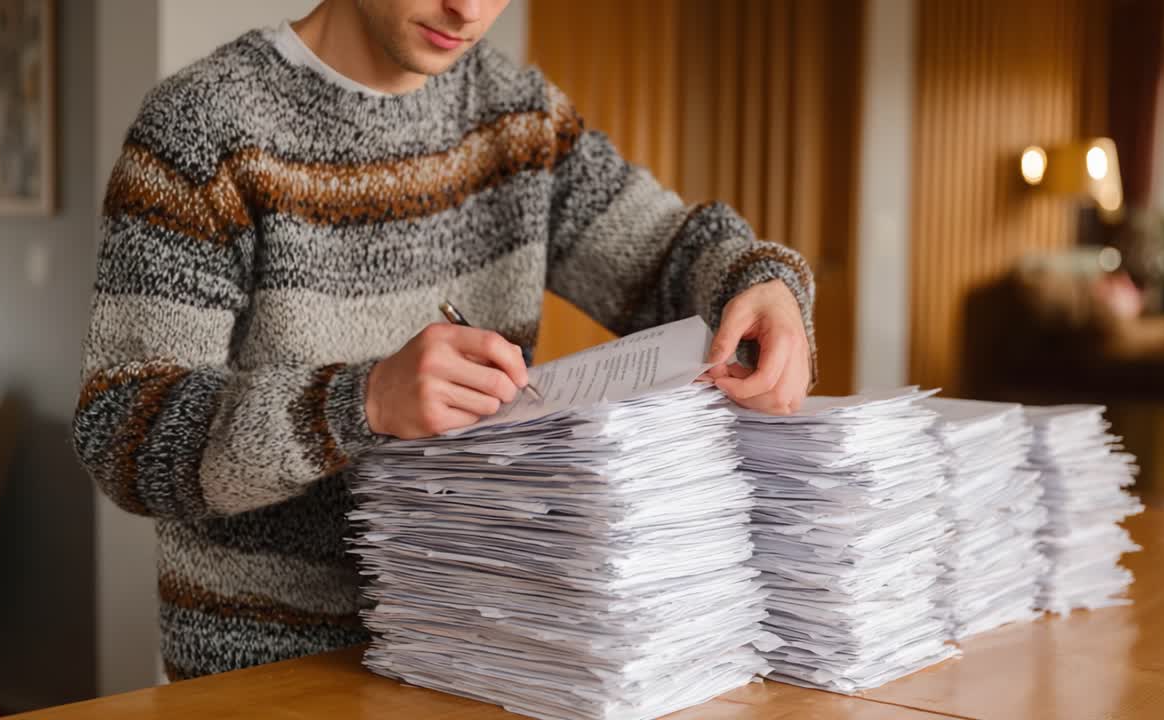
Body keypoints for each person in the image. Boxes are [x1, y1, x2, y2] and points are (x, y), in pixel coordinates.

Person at [73, 0, 816, 680]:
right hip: (275, 669)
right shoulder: (202, 128)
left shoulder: (517, 118)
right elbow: (126, 434)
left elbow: (674, 256)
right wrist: (360, 402)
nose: (469, 10)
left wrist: (763, 284)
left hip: (492, 648)